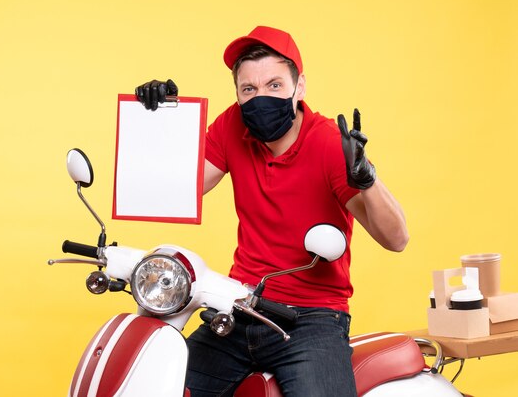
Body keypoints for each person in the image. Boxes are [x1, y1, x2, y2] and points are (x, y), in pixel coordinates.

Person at [135, 25, 408, 397]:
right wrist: (159, 121)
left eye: (274, 85)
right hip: (240, 305)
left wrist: (367, 179)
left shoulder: (329, 142)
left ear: (300, 87)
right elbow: (173, 191)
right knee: (159, 383)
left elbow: (396, 239)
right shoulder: (233, 124)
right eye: (249, 89)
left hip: (312, 317)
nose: (260, 97)